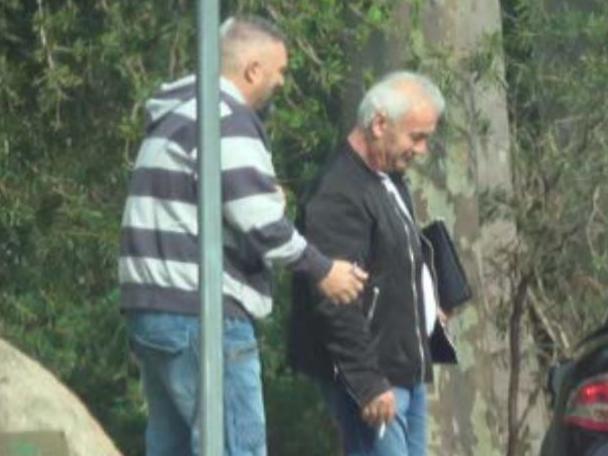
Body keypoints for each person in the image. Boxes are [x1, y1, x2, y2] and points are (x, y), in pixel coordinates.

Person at [118, 15, 367, 456]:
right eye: (280, 72)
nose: (282, 83)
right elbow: (259, 220)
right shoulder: (225, 117)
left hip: (153, 308)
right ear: (253, 69)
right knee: (236, 447)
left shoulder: (178, 112)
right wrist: (322, 268)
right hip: (202, 313)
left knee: (172, 446)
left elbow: (231, 202)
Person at [290, 71, 446, 456]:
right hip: (374, 378)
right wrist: (367, 382)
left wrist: (427, 305)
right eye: (416, 137)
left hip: (405, 371)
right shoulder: (338, 192)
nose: (422, 149)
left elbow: (396, 263)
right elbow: (334, 299)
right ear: (379, 124)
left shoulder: (389, 180)